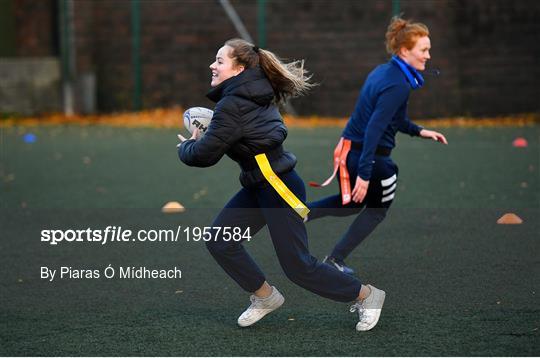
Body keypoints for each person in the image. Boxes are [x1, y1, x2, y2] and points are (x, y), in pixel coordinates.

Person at [177, 38, 385, 331]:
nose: (213, 65)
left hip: (278, 188)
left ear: (238, 69)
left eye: (220, 60)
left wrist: (187, 146)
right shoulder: (250, 94)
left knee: (298, 266)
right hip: (260, 185)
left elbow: (203, 155)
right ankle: (264, 296)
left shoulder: (234, 104)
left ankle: (367, 295)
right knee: (221, 239)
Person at [306, 16, 448, 275]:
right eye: (424, 50)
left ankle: (300, 214)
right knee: (376, 210)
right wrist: (365, 172)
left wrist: (420, 131)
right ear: (404, 50)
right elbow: (374, 127)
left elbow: (395, 119)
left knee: (350, 204)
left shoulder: (382, 71)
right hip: (369, 158)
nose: (428, 55)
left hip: (347, 149)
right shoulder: (398, 85)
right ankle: (335, 259)